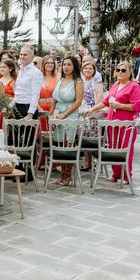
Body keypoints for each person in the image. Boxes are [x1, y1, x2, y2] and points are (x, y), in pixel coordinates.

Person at [82, 61, 140, 182]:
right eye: (118, 70)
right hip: (112, 121)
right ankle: (116, 174)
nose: (120, 72)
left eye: (123, 70)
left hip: (126, 123)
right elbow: (106, 101)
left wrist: (119, 105)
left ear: (129, 72)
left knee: (126, 148)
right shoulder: (115, 85)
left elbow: (137, 106)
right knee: (114, 147)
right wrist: (92, 109)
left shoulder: (134, 86)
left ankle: (126, 176)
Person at [50, 56, 84, 186]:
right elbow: (54, 98)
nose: (66, 67)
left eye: (69, 64)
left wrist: (65, 114)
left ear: (74, 66)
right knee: (60, 145)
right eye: (64, 64)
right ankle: (62, 175)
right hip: (58, 116)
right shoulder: (61, 79)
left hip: (70, 115)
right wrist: (52, 114)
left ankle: (67, 176)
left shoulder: (78, 82)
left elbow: (78, 102)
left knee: (68, 146)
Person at [80, 60, 105, 170]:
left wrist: (93, 112)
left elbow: (100, 99)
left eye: (90, 68)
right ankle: (87, 160)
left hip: (92, 113)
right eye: (85, 68)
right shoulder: (81, 82)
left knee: (92, 138)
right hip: (82, 112)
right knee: (84, 137)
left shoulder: (97, 83)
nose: (88, 70)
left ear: (94, 70)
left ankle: (92, 162)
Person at [14, 45, 43, 119]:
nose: (22, 57)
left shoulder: (36, 72)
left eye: (25, 55)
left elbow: (35, 94)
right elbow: (18, 91)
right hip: (17, 107)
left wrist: (30, 114)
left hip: (27, 109)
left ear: (32, 56)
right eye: (21, 54)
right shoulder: (20, 70)